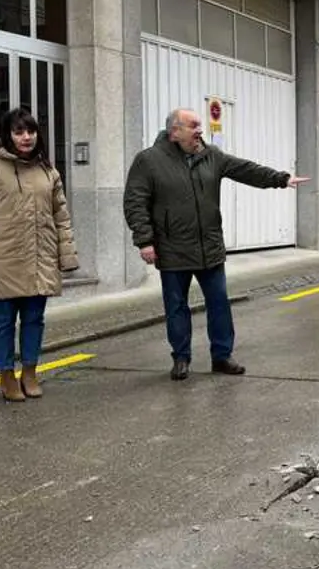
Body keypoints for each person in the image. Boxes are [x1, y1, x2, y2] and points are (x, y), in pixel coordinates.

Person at [123, 108, 308, 380]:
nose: (200, 130)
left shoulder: (211, 156)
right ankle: (181, 358)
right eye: (193, 125)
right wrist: (145, 240)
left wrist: (280, 179)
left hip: (209, 247)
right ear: (175, 132)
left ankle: (222, 356)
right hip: (172, 248)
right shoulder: (149, 161)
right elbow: (135, 202)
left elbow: (245, 170)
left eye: (200, 125)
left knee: (219, 303)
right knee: (176, 307)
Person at [0, 107, 79, 402]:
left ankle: (29, 371)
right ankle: (6, 375)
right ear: (8, 135)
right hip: (3, 259)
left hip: (40, 258)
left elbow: (61, 217)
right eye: (18, 132)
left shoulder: (48, 171)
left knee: (34, 319)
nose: (25, 137)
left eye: (30, 131)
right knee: (3, 320)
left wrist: (66, 255)